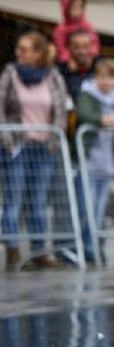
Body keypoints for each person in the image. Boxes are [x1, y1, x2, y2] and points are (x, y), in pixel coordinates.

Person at [1, 30, 71, 270]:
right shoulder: (10, 74)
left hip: (44, 148)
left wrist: (55, 139)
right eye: (18, 48)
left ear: (39, 53)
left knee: (39, 201)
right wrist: (7, 139)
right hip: (17, 147)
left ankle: (39, 251)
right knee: (13, 199)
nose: (18, 53)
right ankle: (12, 251)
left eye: (25, 49)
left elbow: (61, 110)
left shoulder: (53, 76)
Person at [76, 58, 114, 265]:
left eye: (110, 77)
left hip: (108, 165)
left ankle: (96, 250)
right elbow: (87, 115)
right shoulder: (87, 94)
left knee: (100, 213)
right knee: (87, 210)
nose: (105, 81)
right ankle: (84, 250)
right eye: (101, 76)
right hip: (89, 164)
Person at [53, 0, 100, 65]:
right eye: (73, 7)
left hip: (86, 60)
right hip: (69, 63)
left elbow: (94, 41)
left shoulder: (87, 25)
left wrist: (91, 55)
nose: (77, 10)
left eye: (80, 6)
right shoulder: (61, 29)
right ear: (66, 8)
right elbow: (60, 47)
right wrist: (68, 60)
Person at [59, 30, 99, 101]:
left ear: (91, 47)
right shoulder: (60, 70)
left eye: (86, 47)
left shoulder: (100, 67)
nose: (82, 51)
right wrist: (69, 71)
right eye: (76, 47)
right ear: (69, 47)